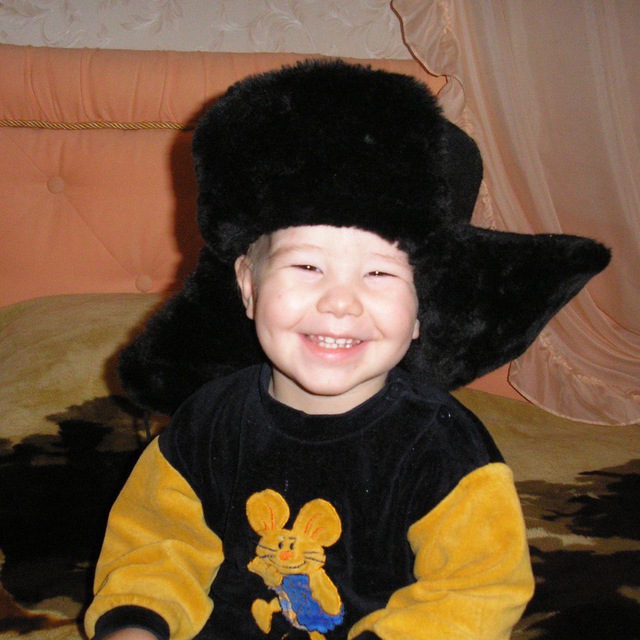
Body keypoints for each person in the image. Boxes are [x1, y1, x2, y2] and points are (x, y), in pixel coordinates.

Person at [84, 60, 610, 640]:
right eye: (307, 266)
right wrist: (136, 623)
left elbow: (474, 592)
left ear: (423, 308)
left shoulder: (443, 448)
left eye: (379, 274)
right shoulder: (206, 423)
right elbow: (158, 543)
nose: (340, 302)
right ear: (248, 286)